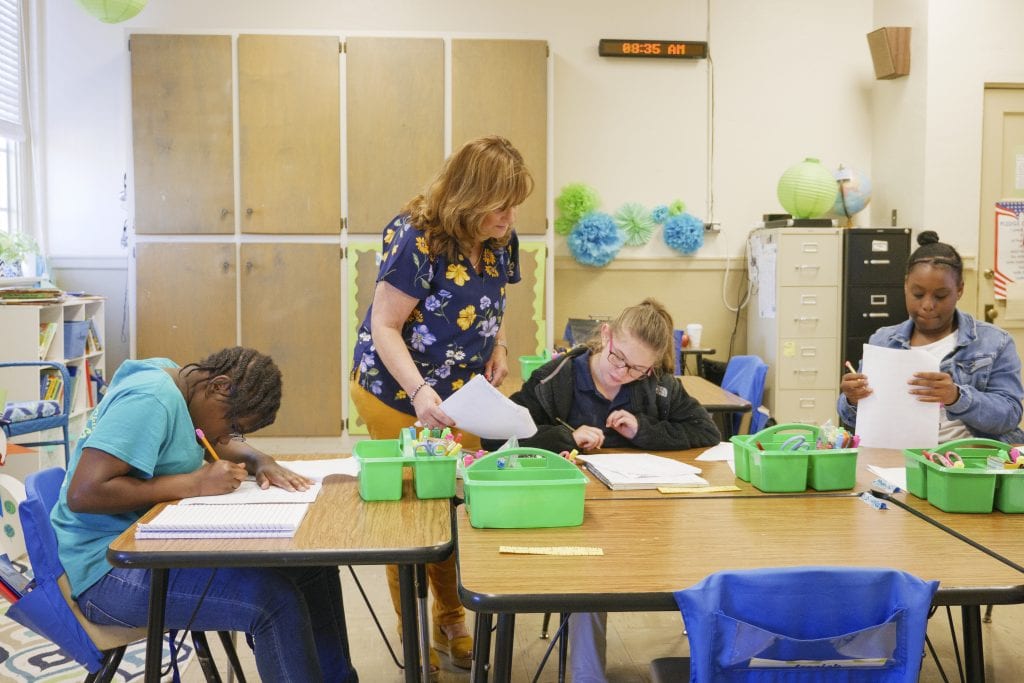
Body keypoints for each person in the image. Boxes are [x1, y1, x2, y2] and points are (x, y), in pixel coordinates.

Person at [52, 347, 358, 682]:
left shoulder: (182, 384)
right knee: (272, 602)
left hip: (149, 546)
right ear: (218, 386)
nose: (223, 439)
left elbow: (206, 433)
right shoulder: (151, 399)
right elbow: (83, 493)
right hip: (108, 571)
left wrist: (261, 461)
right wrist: (194, 484)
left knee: (313, 568)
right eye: (231, 424)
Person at [349, 134, 534, 672]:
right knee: (412, 511)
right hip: (397, 390)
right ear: (468, 199)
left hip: (462, 393)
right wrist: (420, 392)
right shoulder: (417, 239)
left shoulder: (502, 239)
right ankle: (415, 632)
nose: (509, 217)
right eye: (500, 206)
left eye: (515, 204)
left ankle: (452, 617)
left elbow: (495, 303)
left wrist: (498, 346)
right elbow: (385, 326)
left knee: (456, 502)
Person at [486, 298, 719, 683]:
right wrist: (566, 435)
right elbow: (498, 440)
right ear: (605, 336)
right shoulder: (556, 378)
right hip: (570, 517)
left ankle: (710, 669)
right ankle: (587, 676)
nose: (624, 374)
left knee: (703, 559)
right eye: (618, 359)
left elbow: (707, 432)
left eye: (638, 369)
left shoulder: (656, 385)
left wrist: (643, 430)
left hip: (640, 519)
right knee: (590, 578)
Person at [839, 231, 1024, 443]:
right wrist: (852, 399)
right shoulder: (883, 341)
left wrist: (956, 397)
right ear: (906, 285)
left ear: (960, 289)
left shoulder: (994, 342)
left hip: (969, 457)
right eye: (918, 294)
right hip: (899, 454)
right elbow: (854, 418)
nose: (927, 305)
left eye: (941, 296)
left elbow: (1009, 414)